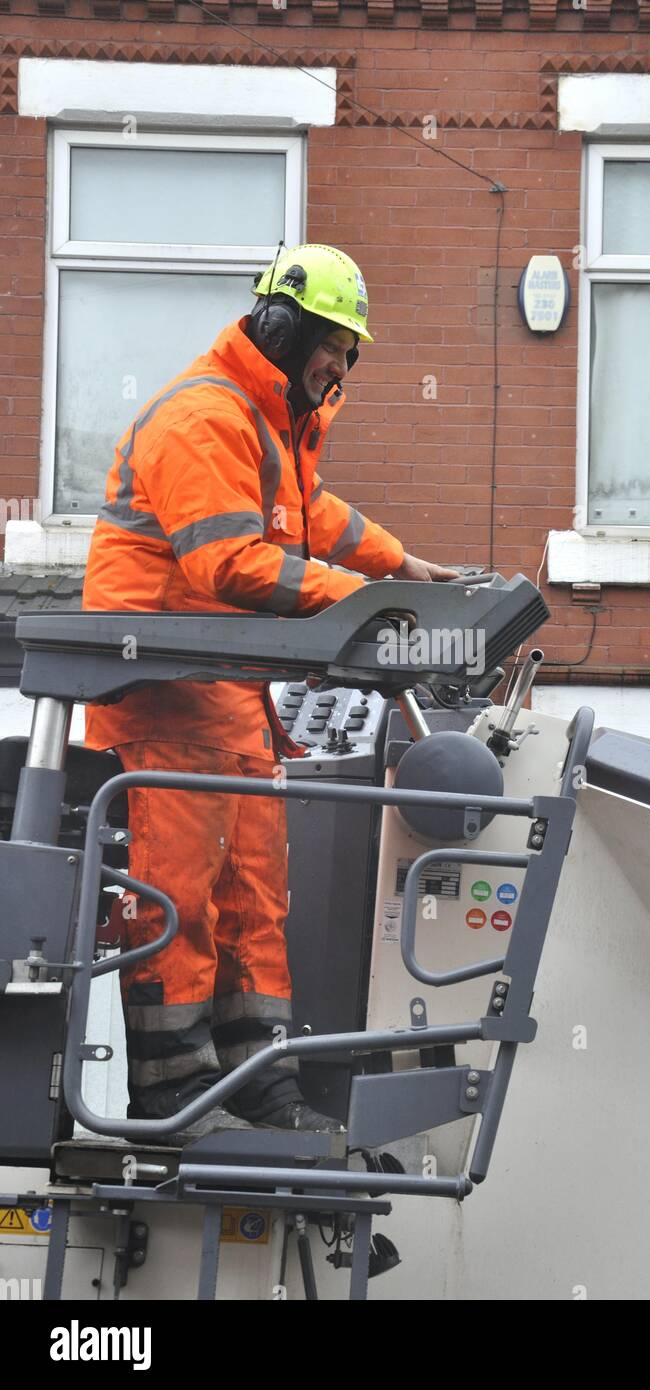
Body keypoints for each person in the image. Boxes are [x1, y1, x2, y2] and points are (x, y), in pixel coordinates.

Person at [82, 243, 458, 1141]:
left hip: (229, 695)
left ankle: (256, 1076)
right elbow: (229, 561)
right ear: (280, 329)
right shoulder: (204, 417)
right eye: (331, 344)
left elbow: (313, 516)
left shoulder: (266, 424)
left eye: (350, 351)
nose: (340, 366)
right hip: (165, 695)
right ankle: (172, 1090)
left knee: (255, 895)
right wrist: (372, 601)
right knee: (179, 890)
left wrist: (400, 565)